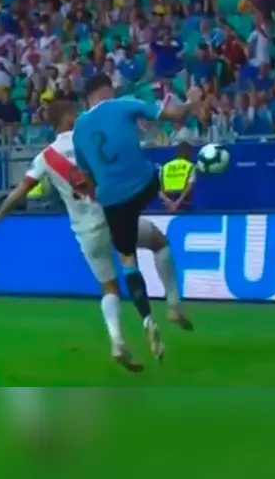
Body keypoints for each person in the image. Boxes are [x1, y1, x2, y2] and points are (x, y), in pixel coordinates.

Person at [0, 101, 192, 372]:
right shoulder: (87, 137)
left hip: (85, 231)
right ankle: (173, 305)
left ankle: (117, 341)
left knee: (109, 288)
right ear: (69, 117)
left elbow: (22, 189)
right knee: (158, 242)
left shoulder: (46, 157)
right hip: (111, 215)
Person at [72, 73, 202, 361]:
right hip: (144, 185)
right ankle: (173, 304)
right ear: (108, 89)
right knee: (159, 241)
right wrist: (191, 101)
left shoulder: (79, 128)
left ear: (88, 97)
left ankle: (146, 319)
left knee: (128, 261)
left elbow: (86, 176)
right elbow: (175, 114)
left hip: (113, 200)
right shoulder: (124, 104)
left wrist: (97, 194)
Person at [159, 142, 196, 212]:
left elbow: (158, 189)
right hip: (184, 204)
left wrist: (168, 202)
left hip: (167, 205)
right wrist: (177, 203)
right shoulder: (190, 166)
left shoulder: (165, 167)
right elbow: (189, 187)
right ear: (189, 153)